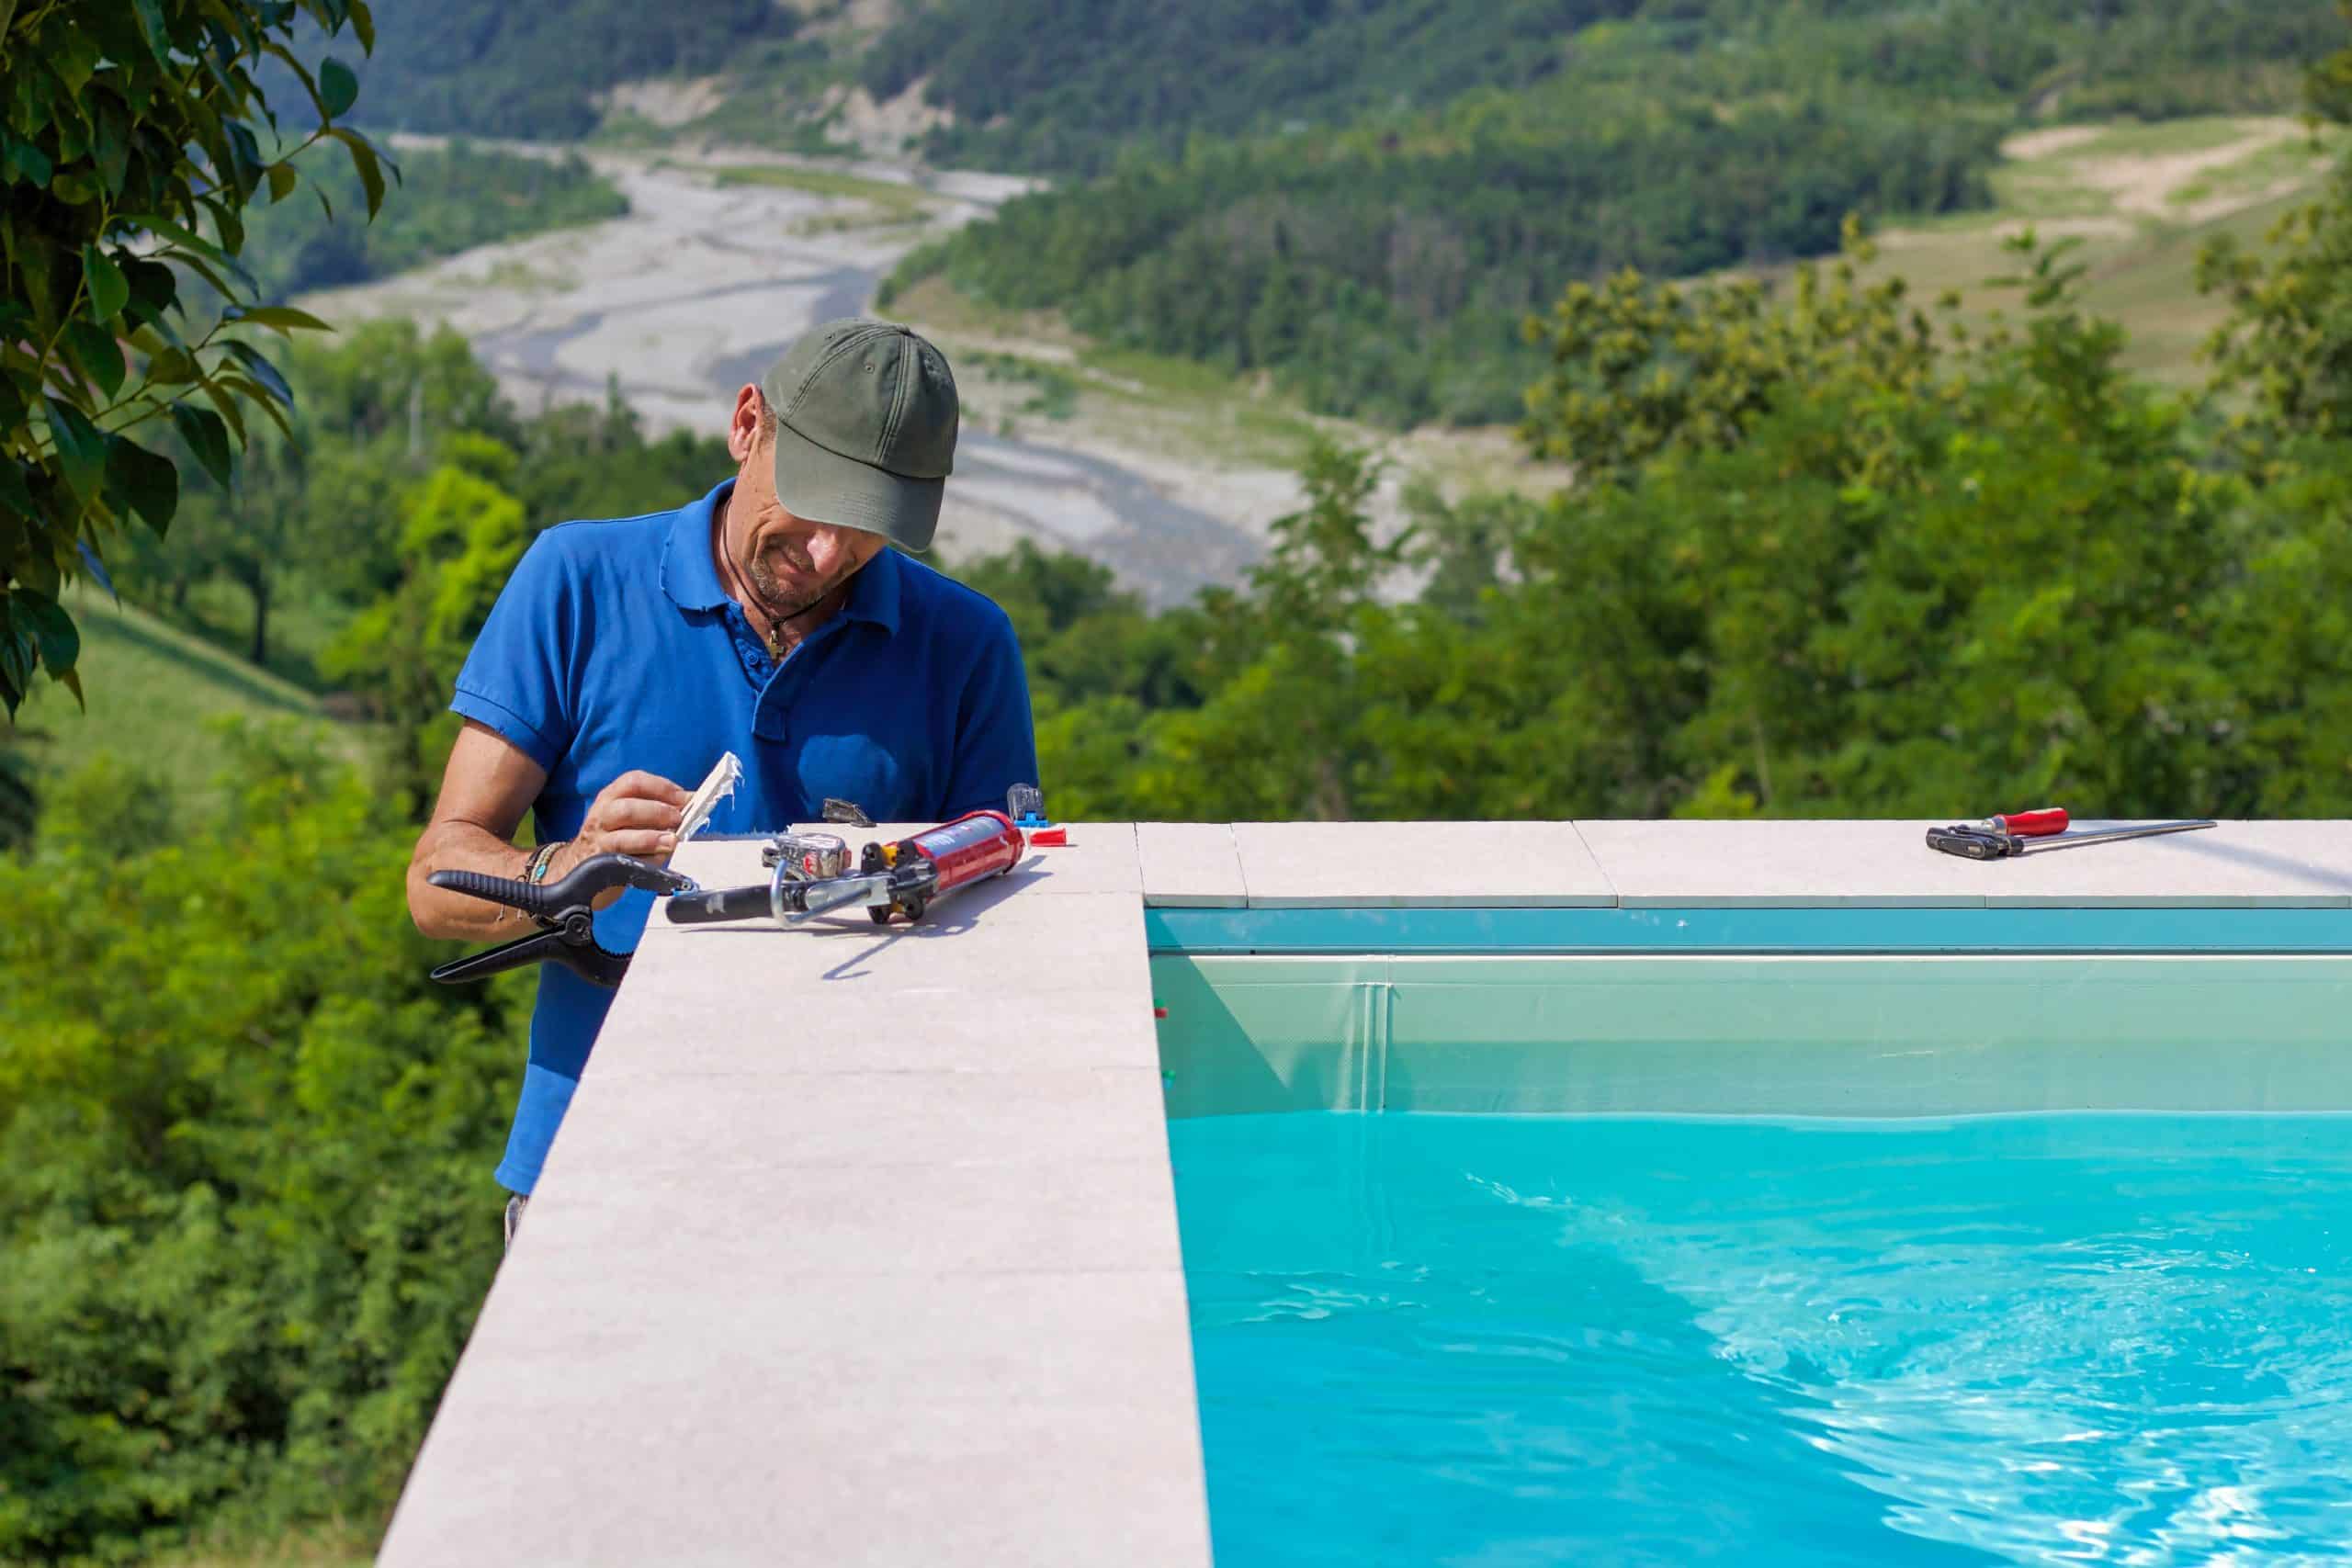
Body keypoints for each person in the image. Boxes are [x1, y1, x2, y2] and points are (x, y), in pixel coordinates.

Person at [405, 319, 1038, 1246]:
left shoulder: (968, 647)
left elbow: (1012, 906)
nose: (826, 557)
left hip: (866, 1173)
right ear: (747, 425)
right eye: (813, 506)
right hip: (599, 1164)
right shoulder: (576, 582)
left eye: (866, 533)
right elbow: (434, 883)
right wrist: (570, 869)